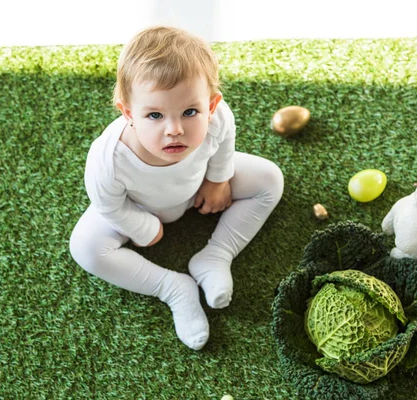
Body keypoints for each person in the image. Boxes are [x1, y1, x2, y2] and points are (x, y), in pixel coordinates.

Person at [69, 26, 284, 350]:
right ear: (128, 113)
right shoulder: (109, 159)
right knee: (85, 248)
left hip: (198, 187)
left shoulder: (217, 118)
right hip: (141, 206)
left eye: (190, 112)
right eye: (154, 115)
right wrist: (140, 226)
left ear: (211, 106)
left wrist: (218, 178)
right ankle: (172, 287)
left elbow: (224, 141)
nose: (175, 130)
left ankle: (215, 256)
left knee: (269, 179)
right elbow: (107, 203)